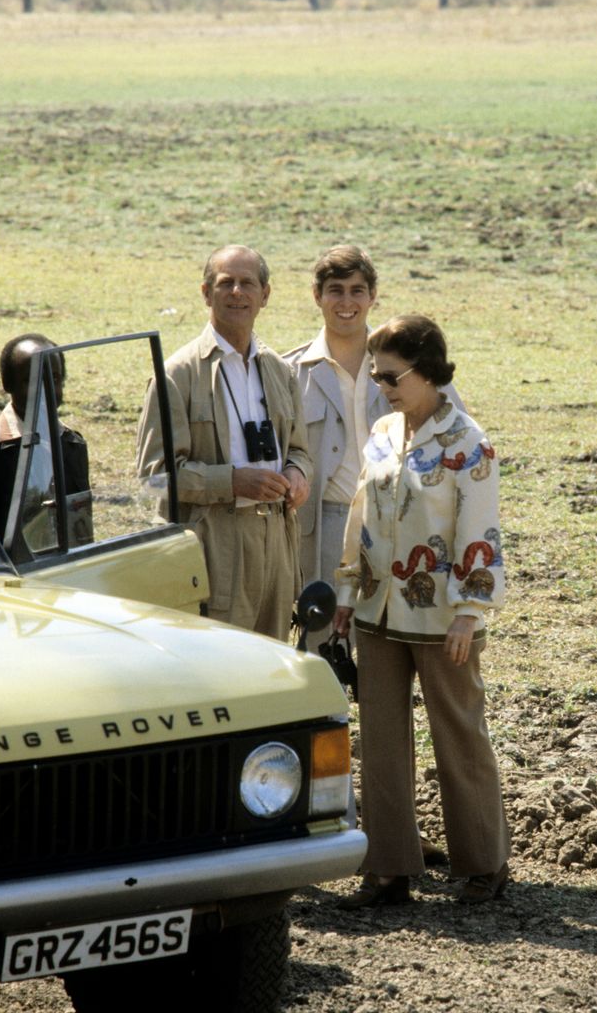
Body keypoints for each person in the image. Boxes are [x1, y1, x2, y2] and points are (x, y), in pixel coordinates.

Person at [285, 244, 462, 866]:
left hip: (401, 535)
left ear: (372, 295)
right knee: (324, 673)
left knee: (390, 687)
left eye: (357, 290)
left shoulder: (405, 361)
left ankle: (400, 837)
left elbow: (455, 438)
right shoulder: (292, 370)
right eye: (335, 291)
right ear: (317, 297)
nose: (346, 302)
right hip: (321, 530)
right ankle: (337, 823)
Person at [334, 314, 510, 907]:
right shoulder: (383, 430)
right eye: (376, 375)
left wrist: (470, 611)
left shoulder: (470, 443)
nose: (381, 385)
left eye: (391, 375)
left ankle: (484, 864)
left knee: (458, 735)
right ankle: (387, 869)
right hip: (376, 612)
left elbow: (479, 533)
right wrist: (344, 593)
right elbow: (361, 516)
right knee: (381, 742)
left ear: (428, 371)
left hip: (443, 618)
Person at [136, 245, 312, 640]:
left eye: (247, 283)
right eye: (225, 283)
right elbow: (155, 476)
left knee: (271, 667)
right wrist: (232, 481)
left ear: (265, 295)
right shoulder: (176, 375)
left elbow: (299, 449)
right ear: (205, 293)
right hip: (216, 544)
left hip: (278, 543)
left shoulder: (281, 370)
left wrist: (298, 473)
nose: (237, 292)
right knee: (220, 662)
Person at [0, 333, 90, 545]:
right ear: (8, 384)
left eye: (54, 379)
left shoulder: (73, 445)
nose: (46, 390)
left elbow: (80, 530)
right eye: (32, 380)